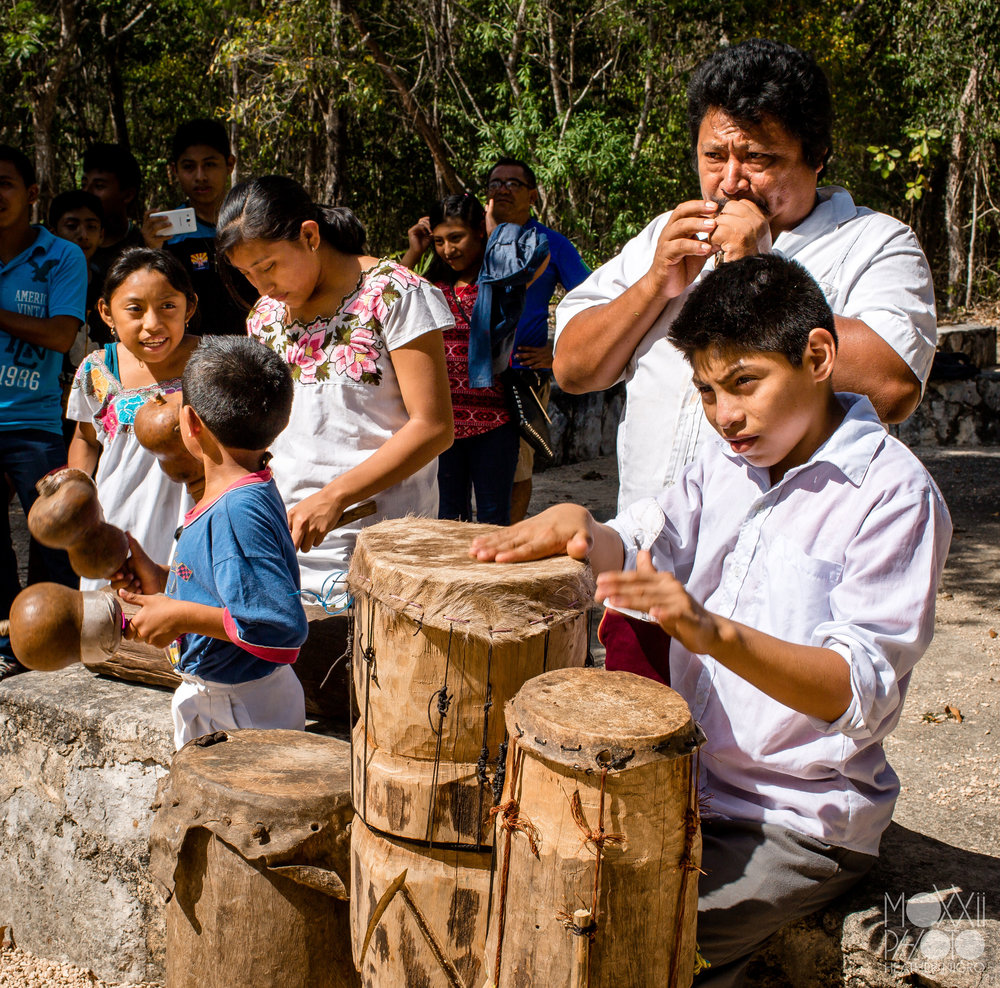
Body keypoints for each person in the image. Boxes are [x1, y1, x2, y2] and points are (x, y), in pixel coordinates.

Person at [470, 254, 952, 987]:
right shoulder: (728, 464)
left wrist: (708, 630)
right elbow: (643, 537)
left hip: (796, 820)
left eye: (744, 383)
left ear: (818, 357)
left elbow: (855, 690)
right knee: (522, 890)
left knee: (634, 944)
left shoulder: (892, 496)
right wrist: (580, 528)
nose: (725, 414)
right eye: (705, 390)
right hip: (685, 784)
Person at [552, 38, 938, 673]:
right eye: (713, 156)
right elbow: (572, 367)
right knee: (637, 762)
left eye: (758, 158)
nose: (730, 181)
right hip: (647, 579)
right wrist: (654, 283)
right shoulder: (666, 236)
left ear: (817, 158)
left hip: (777, 612)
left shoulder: (875, 244)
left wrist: (762, 265)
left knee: (766, 763)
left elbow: (894, 384)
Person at [217, 175, 454, 595]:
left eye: (268, 266)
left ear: (309, 235)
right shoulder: (264, 317)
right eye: (247, 274)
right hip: (287, 546)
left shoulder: (395, 293)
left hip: (385, 551)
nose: (263, 286)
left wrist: (335, 497)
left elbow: (434, 427)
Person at [113, 336, 308, 749]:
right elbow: (224, 587)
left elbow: (279, 626)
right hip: (229, 699)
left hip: (241, 709)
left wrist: (179, 616)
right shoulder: (243, 488)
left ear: (191, 424)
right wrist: (162, 581)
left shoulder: (236, 511)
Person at [402, 192, 548, 525]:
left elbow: (535, 257)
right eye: (439, 241)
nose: (447, 249)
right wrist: (415, 250)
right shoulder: (429, 285)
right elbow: (383, 295)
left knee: (494, 518)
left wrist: (497, 229)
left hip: (494, 425)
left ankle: (492, 578)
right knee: (447, 517)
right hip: (442, 426)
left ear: (479, 232)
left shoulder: (500, 281)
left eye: (456, 238)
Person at [67, 248, 200, 589]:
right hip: (116, 529)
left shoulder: (214, 365)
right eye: (135, 309)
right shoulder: (97, 369)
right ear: (106, 313)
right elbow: (85, 439)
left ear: (191, 307)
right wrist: (77, 509)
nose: (153, 323)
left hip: (195, 525)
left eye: (168, 306)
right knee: (113, 628)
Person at [0, 144, 84, 681]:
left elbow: (60, 333)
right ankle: (11, 644)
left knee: (55, 534)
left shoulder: (61, 256)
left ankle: (56, 643)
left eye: (4, 183)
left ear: (31, 194)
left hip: (34, 423)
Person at [485, 157, 590, 520]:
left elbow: (593, 298)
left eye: (512, 183)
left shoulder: (549, 243)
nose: (502, 189)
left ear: (532, 195)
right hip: (466, 375)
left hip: (521, 378)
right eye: (495, 183)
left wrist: (557, 351)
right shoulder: (469, 238)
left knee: (517, 468)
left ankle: (506, 542)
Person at [142, 119, 251, 335]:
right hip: (192, 353)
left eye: (210, 164)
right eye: (189, 167)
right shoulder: (166, 234)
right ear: (175, 169)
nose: (200, 176)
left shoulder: (250, 221)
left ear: (230, 164)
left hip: (252, 346)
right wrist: (152, 251)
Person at [49, 189, 105, 366]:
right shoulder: (40, 284)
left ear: (102, 235)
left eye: (91, 226)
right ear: (53, 233)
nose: (83, 235)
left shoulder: (109, 287)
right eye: (71, 226)